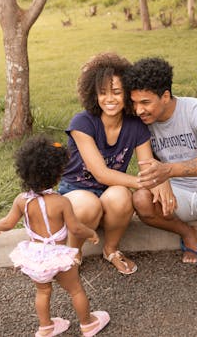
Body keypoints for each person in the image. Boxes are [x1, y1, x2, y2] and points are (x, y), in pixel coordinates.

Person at [123, 57, 197, 333]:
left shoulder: (196, 109)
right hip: (176, 193)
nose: (139, 110)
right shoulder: (141, 123)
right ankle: (187, 234)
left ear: (165, 95)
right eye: (135, 103)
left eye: (145, 102)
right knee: (140, 199)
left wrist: (168, 171)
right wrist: (159, 179)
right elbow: (148, 164)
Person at [58, 52, 175, 275]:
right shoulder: (82, 122)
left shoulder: (136, 126)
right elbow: (101, 173)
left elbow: (147, 164)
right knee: (88, 204)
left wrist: (160, 179)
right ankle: (73, 252)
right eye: (102, 93)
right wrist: (146, 182)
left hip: (109, 192)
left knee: (122, 195)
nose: (109, 99)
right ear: (93, 94)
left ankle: (110, 249)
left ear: (127, 94)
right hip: (76, 192)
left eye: (117, 92)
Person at [0, 135, 109, 337]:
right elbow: (76, 228)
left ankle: (46, 327)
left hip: (36, 257)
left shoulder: (22, 201)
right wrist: (91, 233)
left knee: (43, 291)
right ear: (57, 175)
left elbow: (8, 223)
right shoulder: (60, 202)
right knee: (75, 290)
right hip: (57, 255)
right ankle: (87, 323)